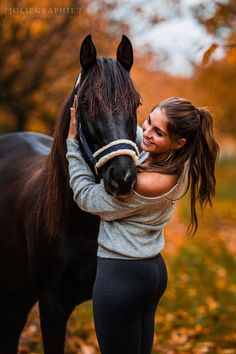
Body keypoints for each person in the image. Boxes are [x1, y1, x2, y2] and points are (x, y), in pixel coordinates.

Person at [66, 97, 219, 354]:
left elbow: (87, 197)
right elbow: (136, 136)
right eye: (148, 120)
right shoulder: (174, 158)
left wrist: (71, 143)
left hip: (121, 277)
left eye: (158, 132)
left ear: (179, 142)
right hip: (150, 271)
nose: (146, 132)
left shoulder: (146, 182)